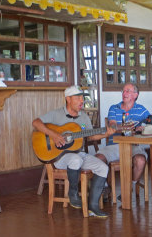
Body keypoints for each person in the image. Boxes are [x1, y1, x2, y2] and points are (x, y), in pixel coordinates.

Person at [32, 85, 115, 218]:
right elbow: (36, 123)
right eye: (78, 98)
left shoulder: (83, 118)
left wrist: (106, 134)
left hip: (79, 154)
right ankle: (73, 193)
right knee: (75, 159)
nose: (82, 101)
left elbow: (90, 136)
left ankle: (93, 207)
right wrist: (53, 135)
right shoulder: (56, 114)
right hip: (60, 158)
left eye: (83, 98)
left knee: (103, 167)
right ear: (68, 99)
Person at [96, 83, 150, 193]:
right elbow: (113, 126)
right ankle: (106, 187)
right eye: (123, 91)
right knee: (99, 158)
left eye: (128, 91)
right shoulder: (114, 108)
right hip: (114, 145)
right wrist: (129, 127)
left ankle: (131, 187)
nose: (124, 93)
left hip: (133, 146)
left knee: (140, 160)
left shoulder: (141, 109)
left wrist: (143, 127)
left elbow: (151, 123)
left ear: (135, 95)